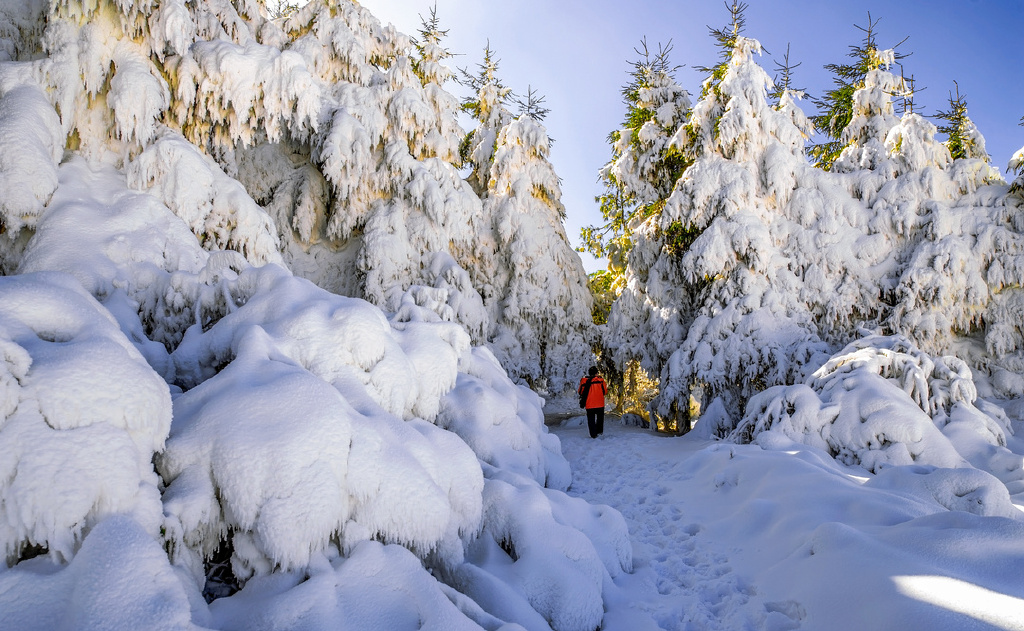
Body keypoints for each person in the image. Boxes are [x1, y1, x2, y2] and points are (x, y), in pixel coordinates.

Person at [578, 366, 607, 439]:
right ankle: (599, 432)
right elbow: (605, 392)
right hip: (600, 403)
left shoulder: (584, 381)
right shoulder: (601, 381)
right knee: (600, 419)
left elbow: (580, 392)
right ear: (596, 373)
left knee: (591, 420)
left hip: (589, 404)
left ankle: (593, 434)